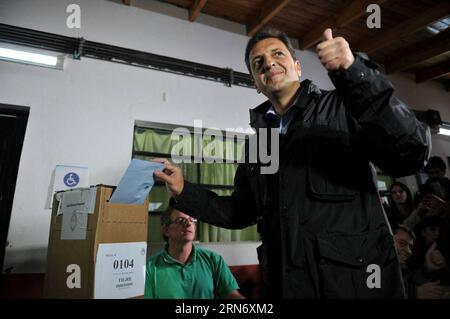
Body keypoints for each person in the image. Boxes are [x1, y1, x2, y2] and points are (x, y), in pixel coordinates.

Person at [154, 27, 431, 298]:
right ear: (255, 82)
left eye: (278, 54)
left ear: (298, 67)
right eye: (258, 62)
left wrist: (354, 72)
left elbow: (410, 153)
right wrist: (184, 190)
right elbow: (240, 212)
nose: (269, 63)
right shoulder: (262, 143)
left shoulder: (341, 107)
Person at [144, 202, 244, 299]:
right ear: (166, 230)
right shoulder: (150, 267)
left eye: (192, 220)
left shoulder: (213, 259)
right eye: (181, 220)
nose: (188, 224)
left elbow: (232, 295)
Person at [393, 225, 445, 299]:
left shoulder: (401, 268)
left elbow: (411, 281)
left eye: (410, 247)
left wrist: (428, 267)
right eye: (402, 243)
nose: (408, 251)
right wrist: (414, 292)